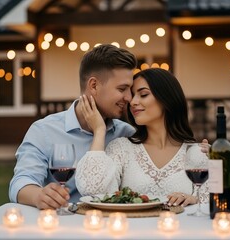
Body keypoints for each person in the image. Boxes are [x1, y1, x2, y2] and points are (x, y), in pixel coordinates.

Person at [9, 44, 138, 210]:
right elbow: (21, 182)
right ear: (94, 86)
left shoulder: (126, 133)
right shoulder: (44, 130)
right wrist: (38, 195)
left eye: (130, 90)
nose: (129, 97)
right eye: (122, 89)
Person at [76, 68, 209, 207]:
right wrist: (99, 130)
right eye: (132, 96)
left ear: (167, 98)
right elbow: (93, 192)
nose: (132, 102)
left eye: (143, 94)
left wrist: (194, 199)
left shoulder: (197, 152)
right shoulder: (121, 149)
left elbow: (215, 203)